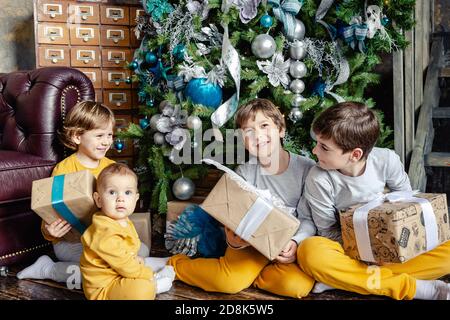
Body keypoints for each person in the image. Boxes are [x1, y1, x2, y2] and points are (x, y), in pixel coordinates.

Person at [164, 98, 317, 298]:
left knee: (297, 286)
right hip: (250, 246)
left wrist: (296, 242)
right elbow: (233, 219)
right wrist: (234, 239)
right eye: (248, 131)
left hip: (285, 247)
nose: (258, 136)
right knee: (227, 281)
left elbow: (309, 218)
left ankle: (251, 277)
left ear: (281, 129)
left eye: (264, 126)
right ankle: (175, 265)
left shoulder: (306, 169)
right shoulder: (244, 172)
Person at [300, 101, 450, 300]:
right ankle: (414, 288)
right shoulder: (318, 178)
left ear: (355, 155)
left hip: (392, 246)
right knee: (311, 252)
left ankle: (347, 280)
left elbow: (408, 206)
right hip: (348, 250)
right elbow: (327, 230)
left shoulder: (386, 160)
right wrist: (368, 254)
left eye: (324, 147)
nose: (315, 151)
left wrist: (387, 250)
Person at [17, 101, 149, 285]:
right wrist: (50, 232)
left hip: (104, 237)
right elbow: (49, 210)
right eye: (99, 135)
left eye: (110, 135)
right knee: (98, 269)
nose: (106, 141)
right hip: (72, 243)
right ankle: (48, 268)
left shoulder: (111, 167)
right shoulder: (64, 170)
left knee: (142, 251)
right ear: (77, 136)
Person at [80, 163, 175, 300]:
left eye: (127, 192)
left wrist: (135, 260)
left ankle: (153, 270)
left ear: (136, 199)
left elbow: (127, 251)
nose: (120, 198)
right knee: (141, 290)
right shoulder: (104, 230)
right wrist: (148, 275)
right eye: (112, 192)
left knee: (140, 258)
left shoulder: (123, 221)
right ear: (99, 200)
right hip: (104, 288)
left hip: (120, 273)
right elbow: (124, 264)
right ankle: (155, 285)